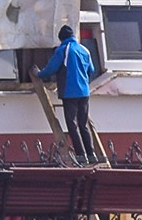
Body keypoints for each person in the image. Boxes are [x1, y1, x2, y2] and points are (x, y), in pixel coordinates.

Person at [38, 24, 98, 163]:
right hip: (84, 93)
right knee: (83, 124)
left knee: (72, 124)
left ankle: (81, 155)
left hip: (69, 92)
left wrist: (39, 74)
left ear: (62, 38)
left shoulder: (63, 49)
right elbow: (91, 70)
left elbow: (51, 68)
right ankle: (91, 154)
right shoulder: (84, 50)